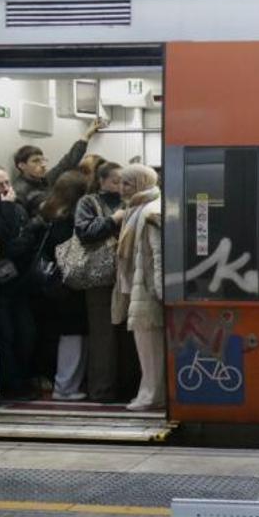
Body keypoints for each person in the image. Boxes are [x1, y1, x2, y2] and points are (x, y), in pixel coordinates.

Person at [33, 171, 90, 400]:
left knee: (66, 334)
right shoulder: (70, 220)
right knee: (73, 334)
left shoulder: (47, 212)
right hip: (69, 283)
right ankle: (65, 387)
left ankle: (66, 385)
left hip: (53, 282)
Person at [112, 164, 165, 411]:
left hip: (146, 288)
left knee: (149, 346)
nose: (121, 189)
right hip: (140, 285)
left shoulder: (149, 211)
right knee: (147, 345)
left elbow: (158, 253)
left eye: (127, 183)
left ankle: (151, 395)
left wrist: (160, 290)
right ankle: (150, 393)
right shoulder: (138, 209)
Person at [75, 161, 125, 402]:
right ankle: (101, 389)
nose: (121, 186)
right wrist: (113, 220)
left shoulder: (131, 200)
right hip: (99, 277)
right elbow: (84, 232)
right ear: (102, 180)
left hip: (126, 274)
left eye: (124, 181)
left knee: (127, 333)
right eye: (116, 181)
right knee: (102, 334)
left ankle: (127, 386)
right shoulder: (88, 202)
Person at [0, 167, 38, 399]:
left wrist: (3, 250)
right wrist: (6, 207)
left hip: (19, 281)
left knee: (26, 333)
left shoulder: (18, 209)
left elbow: (26, 241)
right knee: (5, 334)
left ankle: (24, 380)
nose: (5, 189)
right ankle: (12, 385)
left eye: (7, 183)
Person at [11, 117, 105, 217]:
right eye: (36, 161)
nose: (42, 165)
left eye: (43, 160)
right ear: (22, 165)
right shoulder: (19, 190)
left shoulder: (43, 179)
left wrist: (87, 135)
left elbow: (68, 161)